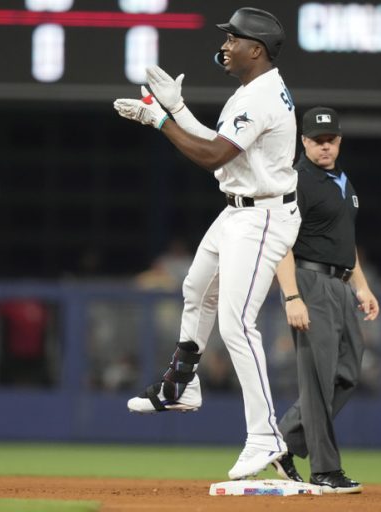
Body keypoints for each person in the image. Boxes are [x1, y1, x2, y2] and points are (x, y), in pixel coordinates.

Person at [114, 7, 301, 481]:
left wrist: (161, 123)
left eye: (233, 39)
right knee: (197, 288)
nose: (225, 45)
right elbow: (220, 146)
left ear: (255, 50)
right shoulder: (251, 90)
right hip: (239, 209)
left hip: (264, 214)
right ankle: (182, 383)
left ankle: (265, 437)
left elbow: (212, 154)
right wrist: (175, 111)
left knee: (238, 323)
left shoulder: (259, 97)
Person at [273, 107, 379, 493]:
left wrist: (361, 286)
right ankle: (325, 470)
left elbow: (344, 244)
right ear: (303, 141)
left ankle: (281, 440)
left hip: (339, 283)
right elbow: (279, 241)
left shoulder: (341, 181)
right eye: (317, 140)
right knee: (318, 380)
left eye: (330, 139)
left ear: (339, 141)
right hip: (309, 280)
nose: (324, 146)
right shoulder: (296, 179)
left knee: (347, 373)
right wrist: (292, 296)